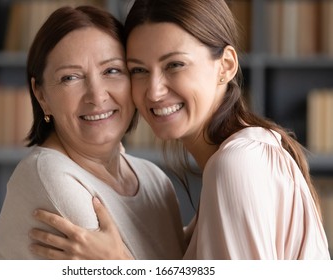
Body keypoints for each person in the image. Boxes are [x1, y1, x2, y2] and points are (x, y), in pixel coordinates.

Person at [28, 0, 330, 260]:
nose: (154, 92)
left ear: (225, 65)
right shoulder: (240, 156)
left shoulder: (237, 164)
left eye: (174, 65)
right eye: (139, 70)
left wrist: (119, 264)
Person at [0, 5, 186, 260]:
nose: (97, 95)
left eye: (112, 71)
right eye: (70, 78)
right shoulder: (51, 177)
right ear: (41, 95)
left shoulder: (155, 181)